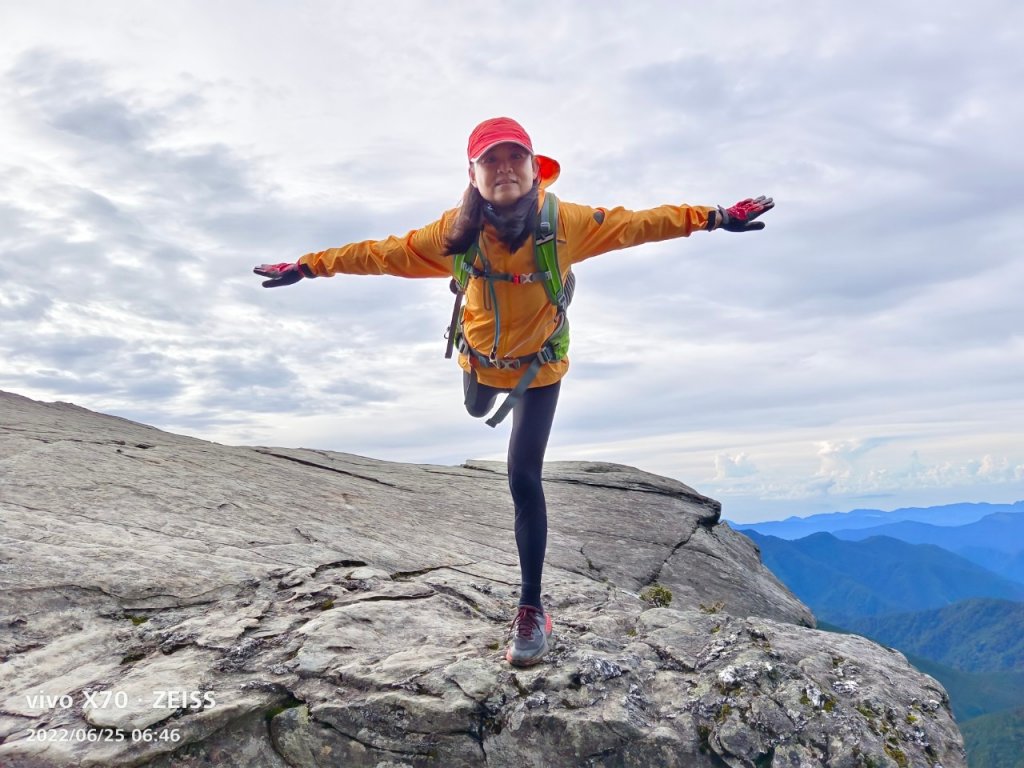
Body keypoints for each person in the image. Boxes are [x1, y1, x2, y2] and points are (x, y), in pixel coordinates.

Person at [254, 116, 773, 666]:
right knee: (476, 406)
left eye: (514, 158)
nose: (503, 169)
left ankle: (530, 609)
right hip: (480, 362)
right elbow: (377, 253)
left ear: (532, 167)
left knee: (522, 478)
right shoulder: (452, 235)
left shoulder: (565, 223)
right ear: (473, 175)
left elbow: (639, 223)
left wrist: (716, 217)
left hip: (540, 371)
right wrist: (308, 267)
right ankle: (479, 390)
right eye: (490, 161)